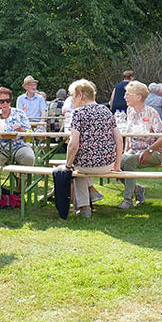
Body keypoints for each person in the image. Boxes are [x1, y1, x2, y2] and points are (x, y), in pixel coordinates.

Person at [63, 79, 122, 218]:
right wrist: (117, 165)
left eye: (73, 95)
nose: (72, 99)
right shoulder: (106, 111)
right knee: (79, 166)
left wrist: (67, 165)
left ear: (80, 94)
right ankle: (90, 196)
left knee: (75, 167)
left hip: (85, 166)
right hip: (107, 165)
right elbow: (119, 139)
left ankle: (84, 207)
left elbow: (73, 144)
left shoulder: (78, 113)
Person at [117, 81, 162, 209]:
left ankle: (128, 200)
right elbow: (129, 135)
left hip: (154, 153)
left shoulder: (150, 112)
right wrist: (125, 152)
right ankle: (138, 190)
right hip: (134, 151)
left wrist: (149, 151)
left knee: (128, 162)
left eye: (128, 94)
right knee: (116, 163)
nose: (125, 97)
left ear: (138, 97)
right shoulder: (130, 111)